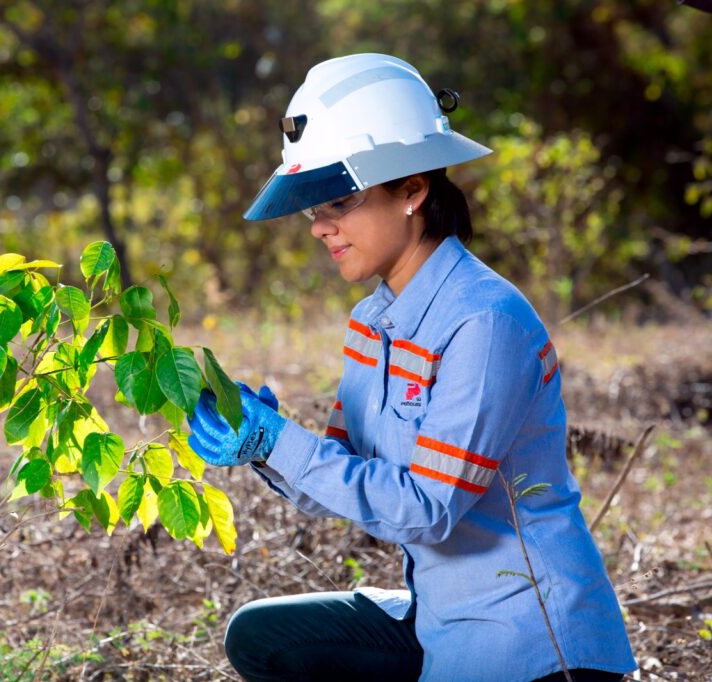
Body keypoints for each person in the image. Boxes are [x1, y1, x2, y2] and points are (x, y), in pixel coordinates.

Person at [186, 54, 637, 682]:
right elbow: (347, 474)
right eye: (313, 208)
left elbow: (425, 510)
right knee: (263, 638)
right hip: (440, 621)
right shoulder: (372, 322)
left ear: (413, 189)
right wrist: (260, 442)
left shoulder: (485, 321)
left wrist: (280, 440)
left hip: (530, 645)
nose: (321, 227)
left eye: (339, 200)